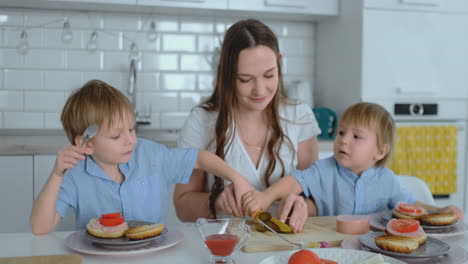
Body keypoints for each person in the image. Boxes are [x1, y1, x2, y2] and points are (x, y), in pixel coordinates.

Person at [30, 80, 254, 235]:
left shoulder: (150, 155)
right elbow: (41, 228)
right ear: (86, 143)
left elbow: (200, 158)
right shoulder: (75, 175)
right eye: (117, 135)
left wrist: (237, 179)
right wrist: (57, 174)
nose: (130, 140)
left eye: (131, 129)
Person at [174, 18, 321, 232]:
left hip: (283, 246)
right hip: (223, 245)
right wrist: (216, 200)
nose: (260, 90)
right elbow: (182, 207)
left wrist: (304, 206)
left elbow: (317, 195)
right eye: (245, 79)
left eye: (269, 75)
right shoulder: (201, 121)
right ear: (226, 73)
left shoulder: (300, 116)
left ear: (280, 62)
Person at [242, 102, 464, 231]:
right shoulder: (324, 169)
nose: (344, 140)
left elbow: (410, 206)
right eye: (341, 132)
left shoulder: (387, 179)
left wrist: (439, 210)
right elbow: (295, 181)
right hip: (331, 246)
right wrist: (266, 197)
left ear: (380, 151)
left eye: (356, 136)